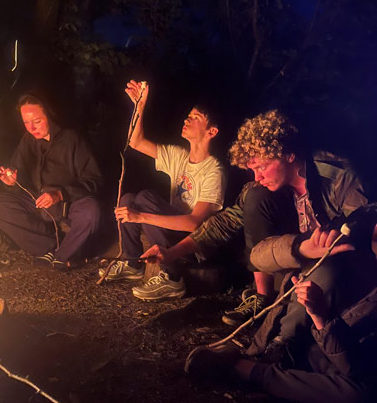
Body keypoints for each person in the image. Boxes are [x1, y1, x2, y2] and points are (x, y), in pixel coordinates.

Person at [142, 110, 367, 319]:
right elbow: (225, 223)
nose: (257, 176)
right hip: (293, 255)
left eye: (262, 167)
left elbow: (364, 223)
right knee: (255, 195)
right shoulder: (265, 189)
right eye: (253, 169)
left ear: (288, 154)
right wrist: (171, 253)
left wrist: (336, 235)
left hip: (338, 263)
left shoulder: (337, 176)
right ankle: (262, 298)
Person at [185, 205, 377, 403]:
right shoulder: (352, 229)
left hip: (349, 364)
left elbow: (357, 367)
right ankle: (280, 353)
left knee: (363, 393)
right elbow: (259, 256)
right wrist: (301, 248)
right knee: (326, 263)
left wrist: (322, 318)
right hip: (314, 346)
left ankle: (247, 370)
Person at [99, 80, 226, 301]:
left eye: (196, 118)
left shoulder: (214, 170)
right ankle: (132, 264)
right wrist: (139, 106)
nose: (187, 119)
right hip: (171, 232)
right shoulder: (179, 156)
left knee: (145, 198)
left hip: (193, 246)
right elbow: (135, 142)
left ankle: (172, 277)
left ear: (211, 131)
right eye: (188, 115)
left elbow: (194, 223)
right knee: (129, 198)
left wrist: (140, 216)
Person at [0, 92, 103, 268]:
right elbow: (19, 178)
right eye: (26, 123)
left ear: (50, 115)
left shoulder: (72, 139)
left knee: (91, 210)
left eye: (37, 121)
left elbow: (94, 181)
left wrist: (61, 194)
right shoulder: (29, 140)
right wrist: (11, 181)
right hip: (38, 202)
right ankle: (47, 247)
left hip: (68, 203)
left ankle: (64, 256)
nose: (31, 128)